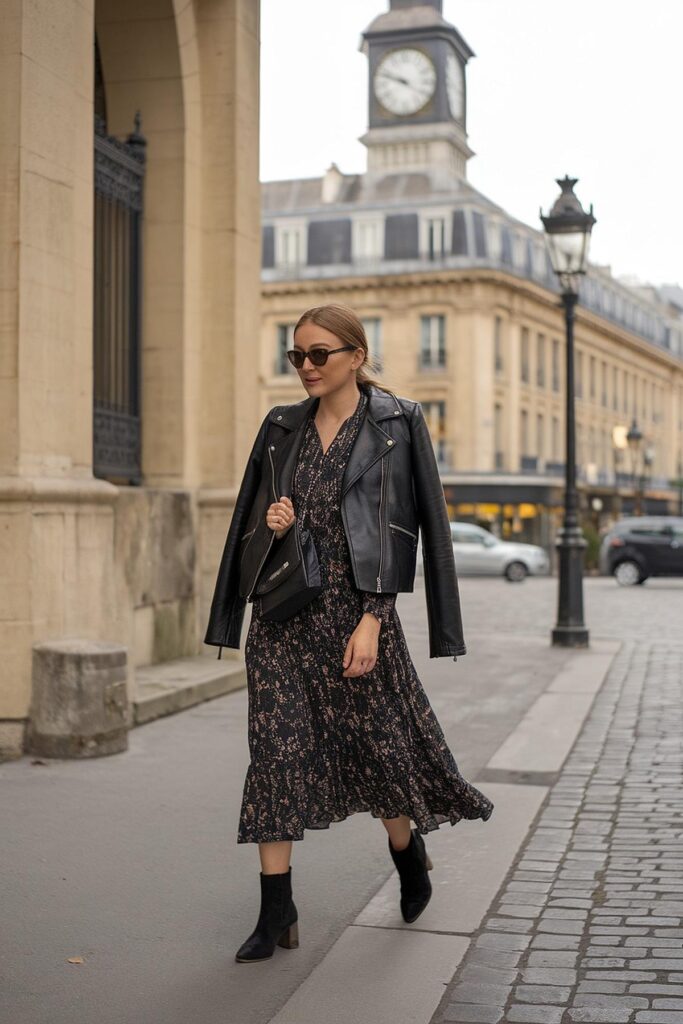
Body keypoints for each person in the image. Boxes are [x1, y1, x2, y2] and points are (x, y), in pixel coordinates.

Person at [204, 303, 493, 964]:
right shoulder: (280, 427)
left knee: (377, 752)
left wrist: (373, 618)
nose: (305, 366)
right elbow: (246, 527)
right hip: (282, 618)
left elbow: (410, 525)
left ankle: (406, 850)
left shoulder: (397, 422)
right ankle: (276, 910)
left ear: (355, 357)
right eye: (295, 355)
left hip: (357, 619)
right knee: (275, 756)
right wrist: (275, 522)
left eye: (318, 354)